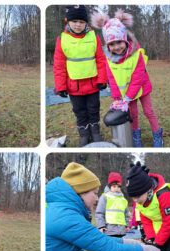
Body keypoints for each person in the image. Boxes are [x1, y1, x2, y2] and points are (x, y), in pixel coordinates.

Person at [46, 162, 161, 251]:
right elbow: (112, 250)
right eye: (94, 193)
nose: (96, 198)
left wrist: (133, 242)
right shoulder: (66, 217)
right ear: (81, 193)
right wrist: (147, 250)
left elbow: (100, 239)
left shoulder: (63, 210)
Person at [91, 9, 163, 147]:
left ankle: (157, 134)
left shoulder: (136, 55)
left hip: (141, 88)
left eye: (119, 42)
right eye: (112, 44)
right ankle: (136, 137)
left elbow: (138, 79)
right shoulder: (110, 59)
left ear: (125, 40)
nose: (116, 47)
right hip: (126, 95)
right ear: (108, 45)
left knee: (148, 111)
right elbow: (112, 80)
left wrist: (128, 97)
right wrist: (118, 99)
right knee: (133, 114)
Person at [53, 5, 108, 147]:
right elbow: (59, 65)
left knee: (93, 109)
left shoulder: (94, 37)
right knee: (79, 112)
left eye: (82, 22)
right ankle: (84, 135)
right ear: (68, 21)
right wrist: (60, 86)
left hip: (93, 85)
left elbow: (101, 60)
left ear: (86, 23)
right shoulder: (62, 39)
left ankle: (95, 132)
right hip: (73, 87)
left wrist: (102, 79)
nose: (78, 25)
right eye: (75, 21)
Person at [95, 172, 130, 251]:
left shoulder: (123, 199)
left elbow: (126, 214)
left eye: (118, 186)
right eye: (114, 186)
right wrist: (101, 226)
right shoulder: (105, 197)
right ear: (110, 186)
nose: (116, 189)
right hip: (109, 227)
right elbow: (99, 213)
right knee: (107, 246)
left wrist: (127, 225)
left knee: (117, 247)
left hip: (120, 228)